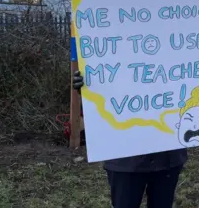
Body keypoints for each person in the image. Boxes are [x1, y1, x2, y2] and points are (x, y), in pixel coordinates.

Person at [72, 71, 186, 208]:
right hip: (124, 156)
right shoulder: (109, 54)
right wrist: (87, 88)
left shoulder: (173, 54)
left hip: (167, 152)